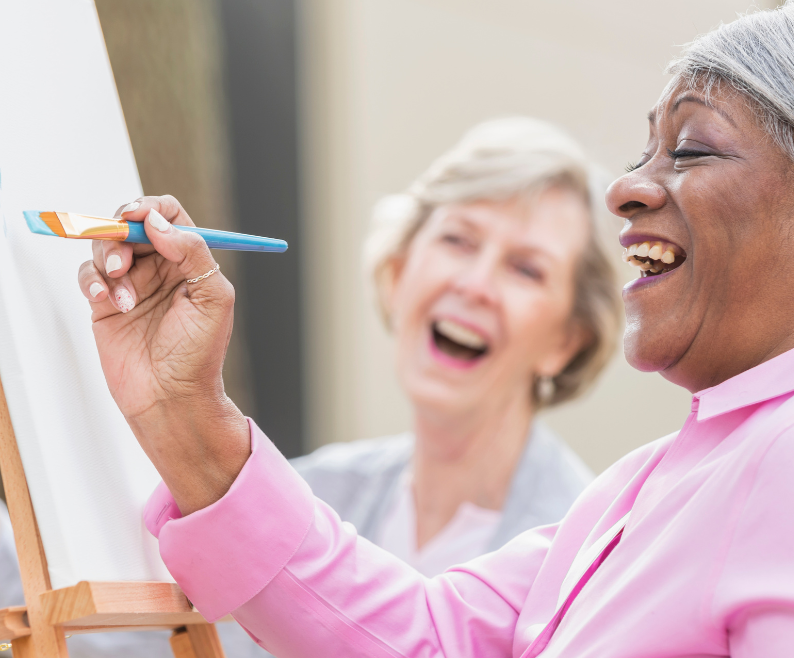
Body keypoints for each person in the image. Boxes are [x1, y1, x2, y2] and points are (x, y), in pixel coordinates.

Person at [79, 0, 794, 657]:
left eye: (695, 149)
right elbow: (423, 636)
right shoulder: (653, 480)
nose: (628, 188)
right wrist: (183, 410)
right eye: (647, 150)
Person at [0, 118, 620, 657]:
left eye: (526, 268)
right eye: (458, 240)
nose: (476, 284)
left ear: (567, 339)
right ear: (399, 270)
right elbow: (112, 631)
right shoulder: (307, 491)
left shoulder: (588, 553)